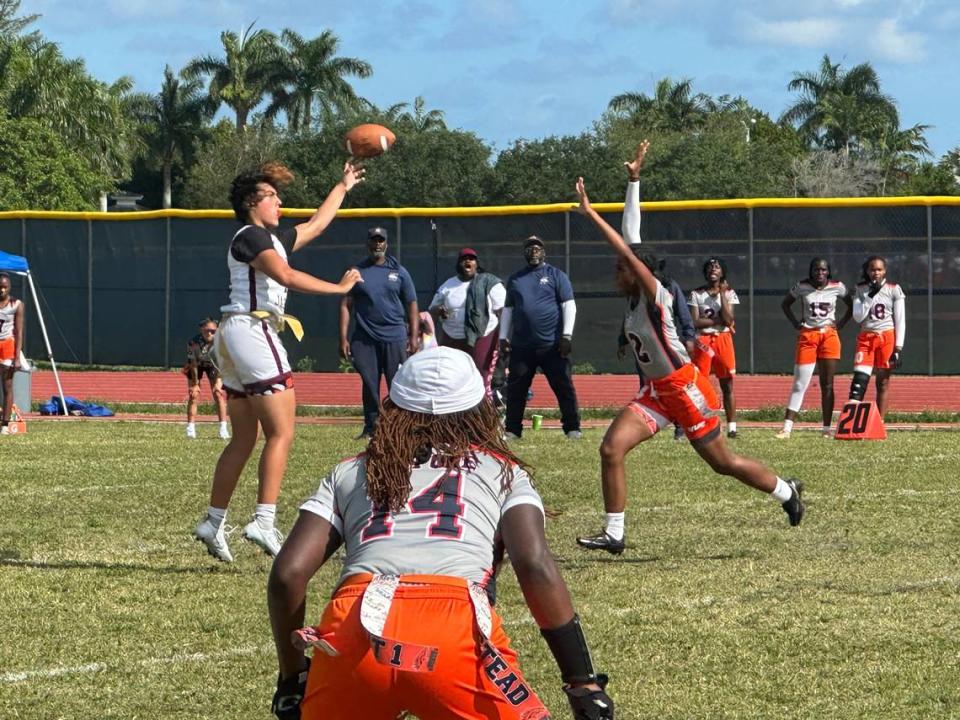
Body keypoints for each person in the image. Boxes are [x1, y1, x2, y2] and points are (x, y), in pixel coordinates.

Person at [267, 346, 614, 720]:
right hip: (454, 626)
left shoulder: (352, 471)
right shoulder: (502, 471)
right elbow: (534, 563)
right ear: (478, 410)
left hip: (353, 630)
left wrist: (292, 676)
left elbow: (288, 574)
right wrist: (582, 679)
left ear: (393, 407)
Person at [573, 145, 804, 556]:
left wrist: (591, 215)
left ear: (639, 272)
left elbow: (627, 249)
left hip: (685, 388)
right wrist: (633, 181)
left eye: (621, 268)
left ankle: (787, 491)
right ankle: (614, 533)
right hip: (659, 392)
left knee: (723, 463)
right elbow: (632, 236)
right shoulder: (632, 299)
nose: (616, 272)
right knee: (610, 448)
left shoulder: (654, 295)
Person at [192, 161, 364, 563]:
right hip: (252, 331)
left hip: (234, 336)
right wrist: (339, 288)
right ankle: (263, 521)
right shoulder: (251, 235)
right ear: (254, 202)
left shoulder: (268, 237)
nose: (281, 203)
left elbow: (317, 224)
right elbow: (285, 275)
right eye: (273, 196)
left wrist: (343, 185)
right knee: (282, 432)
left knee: (244, 437)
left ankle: (213, 521)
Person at [339, 227, 419, 441]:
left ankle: (398, 427)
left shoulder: (399, 271)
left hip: (395, 336)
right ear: (367, 244)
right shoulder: (356, 272)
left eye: (381, 240)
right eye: (373, 240)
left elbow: (411, 304)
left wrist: (413, 336)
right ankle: (371, 426)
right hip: (365, 338)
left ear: (386, 243)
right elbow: (346, 304)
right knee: (370, 383)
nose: (377, 244)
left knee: (398, 384)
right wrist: (343, 337)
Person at [499, 236, 582, 440]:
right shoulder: (516, 279)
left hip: (552, 345)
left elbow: (568, 305)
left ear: (544, 252)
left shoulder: (556, 275)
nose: (534, 251)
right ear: (524, 253)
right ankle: (512, 430)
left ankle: (572, 428)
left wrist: (567, 336)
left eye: (537, 248)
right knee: (516, 389)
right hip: (522, 346)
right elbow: (508, 309)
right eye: (529, 248)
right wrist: (503, 336)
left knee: (563, 387)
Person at [776, 258, 853, 438]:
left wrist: (840, 323)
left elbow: (851, 305)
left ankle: (826, 429)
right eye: (816, 270)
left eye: (823, 270)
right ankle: (787, 428)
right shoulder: (802, 286)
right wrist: (796, 323)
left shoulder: (837, 286)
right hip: (808, 335)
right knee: (800, 383)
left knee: (827, 384)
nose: (820, 273)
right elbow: (785, 304)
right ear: (811, 271)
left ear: (828, 272)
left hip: (829, 336)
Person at [429, 247, 506, 398]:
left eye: (471, 259)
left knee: (480, 378)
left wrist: (502, 337)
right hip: (452, 337)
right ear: (459, 264)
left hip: (483, 337)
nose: (468, 261)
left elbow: (503, 311)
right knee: (450, 379)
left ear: (477, 263)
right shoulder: (447, 285)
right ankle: (455, 417)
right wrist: (439, 310)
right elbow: (432, 310)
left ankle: (483, 418)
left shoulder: (489, 282)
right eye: (464, 259)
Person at [846, 256, 906, 418]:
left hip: (886, 337)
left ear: (885, 271)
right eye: (872, 269)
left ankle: (880, 422)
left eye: (879, 269)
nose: (876, 273)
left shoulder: (894, 289)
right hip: (866, 337)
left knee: (883, 382)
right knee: (859, 381)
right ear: (867, 271)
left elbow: (900, 320)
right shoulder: (860, 288)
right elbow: (858, 317)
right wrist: (871, 294)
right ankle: (852, 420)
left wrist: (898, 347)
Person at [688, 257, 740, 438]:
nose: (713, 269)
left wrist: (723, 296)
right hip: (703, 340)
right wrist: (718, 320)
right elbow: (696, 322)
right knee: (701, 383)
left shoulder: (730, 293)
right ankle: (703, 422)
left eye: (717, 267)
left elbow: (729, 319)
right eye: (710, 267)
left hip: (723, 339)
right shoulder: (696, 293)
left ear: (722, 272)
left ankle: (732, 427)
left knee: (727, 383)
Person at [184, 317, 229, 440]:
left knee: (218, 394)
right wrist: (195, 384)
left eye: (213, 331)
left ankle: (223, 428)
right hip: (196, 365)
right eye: (207, 330)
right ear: (201, 330)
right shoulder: (193, 342)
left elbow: (222, 363)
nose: (210, 333)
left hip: (214, 365)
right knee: (194, 395)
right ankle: (190, 428)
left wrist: (218, 383)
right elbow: (193, 364)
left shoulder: (221, 342)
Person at [0, 272, 24, 436]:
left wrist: (17, 357)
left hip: (7, 345)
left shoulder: (16, 304)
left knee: (7, 386)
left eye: (5, 287)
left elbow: (19, 331)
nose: (2, 290)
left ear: (9, 288)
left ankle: (5, 425)